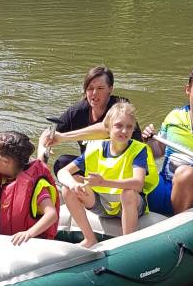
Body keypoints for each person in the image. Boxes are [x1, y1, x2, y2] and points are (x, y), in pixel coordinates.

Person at [44, 64, 193, 216]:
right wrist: (148, 141)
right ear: (188, 90)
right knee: (128, 169)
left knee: (186, 173)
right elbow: (157, 152)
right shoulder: (174, 116)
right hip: (163, 185)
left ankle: (178, 224)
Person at [57, 101, 158, 248]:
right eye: (118, 126)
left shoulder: (138, 150)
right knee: (68, 188)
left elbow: (138, 183)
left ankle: (128, 245)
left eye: (129, 127)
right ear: (108, 128)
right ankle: (89, 239)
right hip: (102, 203)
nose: (124, 131)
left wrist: (103, 182)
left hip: (130, 203)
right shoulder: (95, 148)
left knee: (128, 193)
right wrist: (72, 184)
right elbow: (63, 172)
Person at [38, 65, 133, 177]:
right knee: (62, 163)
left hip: (122, 167)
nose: (94, 93)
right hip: (94, 167)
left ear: (110, 89)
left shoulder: (120, 107)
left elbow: (106, 129)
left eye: (100, 88)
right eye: (90, 88)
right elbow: (49, 132)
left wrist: (63, 137)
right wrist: (42, 153)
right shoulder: (78, 111)